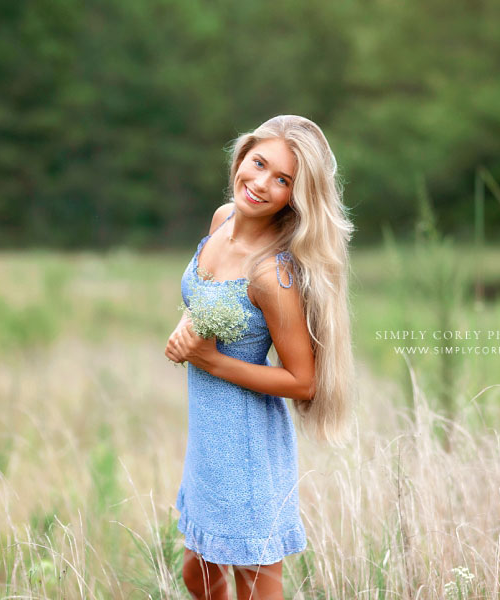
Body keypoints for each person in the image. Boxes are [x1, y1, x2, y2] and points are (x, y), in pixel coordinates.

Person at [164, 115, 355, 599]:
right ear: (242, 156)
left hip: (247, 448)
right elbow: (204, 298)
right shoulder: (222, 220)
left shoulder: (273, 273)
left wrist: (208, 360)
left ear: (296, 194)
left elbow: (302, 381)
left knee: (256, 591)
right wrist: (184, 329)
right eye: (259, 163)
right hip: (209, 440)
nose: (261, 183)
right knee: (198, 575)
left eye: (283, 180)